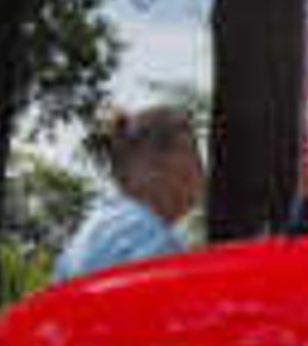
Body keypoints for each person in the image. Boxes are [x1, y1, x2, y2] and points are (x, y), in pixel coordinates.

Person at [53, 99, 203, 278]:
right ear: (157, 164)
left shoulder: (87, 234)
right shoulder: (149, 239)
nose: (201, 170)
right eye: (193, 153)